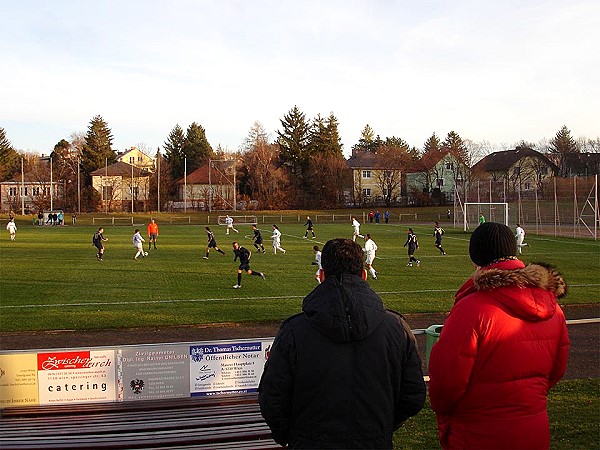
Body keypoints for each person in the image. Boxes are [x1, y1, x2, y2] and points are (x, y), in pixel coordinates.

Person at [258, 238, 426, 449]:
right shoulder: (396, 328)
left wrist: (294, 437)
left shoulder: (293, 331)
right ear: (364, 276)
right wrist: (379, 428)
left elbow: (272, 400)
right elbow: (412, 396)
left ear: (321, 276)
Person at [428, 222, 569, 450]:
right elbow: (556, 371)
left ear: (476, 259)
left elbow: (446, 384)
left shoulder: (471, 308)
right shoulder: (553, 308)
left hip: (478, 433)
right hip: (533, 430)